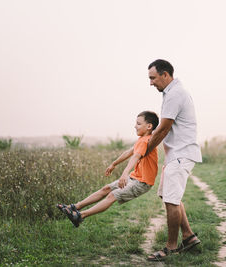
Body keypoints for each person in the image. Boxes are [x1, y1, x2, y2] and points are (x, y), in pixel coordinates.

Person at [56, 111, 159, 228]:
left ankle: (80, 216)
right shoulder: (142, 139)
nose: (135, 126)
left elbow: (136, 156)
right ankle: (75, 207)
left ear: (149, 126)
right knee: (106, 189)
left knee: (112, 195)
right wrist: (114, 164)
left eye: (138, 124)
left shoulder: (146, 140)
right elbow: (129, 152)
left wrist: (124, 173)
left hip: (142, 183)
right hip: (135, 177)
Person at [146, 59, 202, 261]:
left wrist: (146, 150)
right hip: (176, 156)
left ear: (165, 75)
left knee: (171, 200)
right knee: (169, 197)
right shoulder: (172, 92)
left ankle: (170, 247)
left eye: (153, 78)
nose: (151, 83)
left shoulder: (175, 94)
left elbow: (163, 128)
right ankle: (188, 237)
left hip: (181, 155)